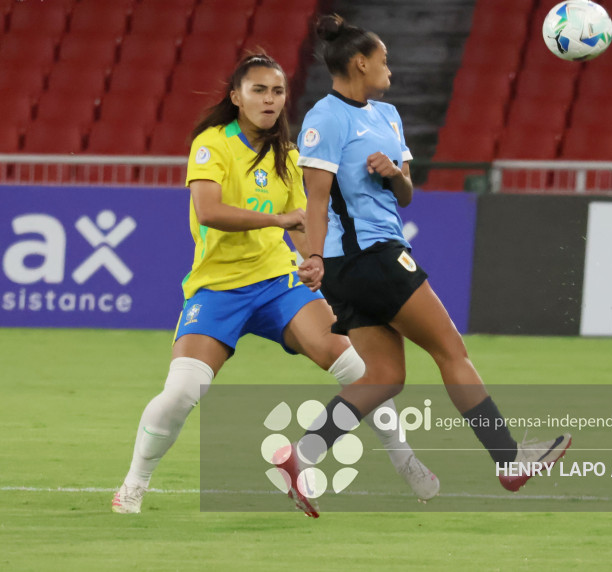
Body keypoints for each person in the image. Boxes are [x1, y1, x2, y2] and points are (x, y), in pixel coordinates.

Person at [111, 52, 439, 515]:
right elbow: (209, 212)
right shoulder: (212, 144)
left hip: (278, 283)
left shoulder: (288, 154)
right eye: (259, 90)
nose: (269, 99)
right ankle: (133, 483)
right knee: (182, 393)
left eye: (278, 91)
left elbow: (302, 223)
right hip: (217, 288)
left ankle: (405, 461)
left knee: (361, 372)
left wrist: (312, 261)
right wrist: (278, 218)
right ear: (236, 97)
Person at [280, 15, 571, 517]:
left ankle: (300, 459)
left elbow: (407, 195)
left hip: (365, 260)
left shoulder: (389, 117)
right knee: (450, 350)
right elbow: (316, 197)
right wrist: (312, 257)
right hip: (368, 257)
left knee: (386, 376)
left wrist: (394, 174)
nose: (389, 71)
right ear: (360, 62)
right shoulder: (325, 119)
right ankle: (508, 458)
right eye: (384, 61)